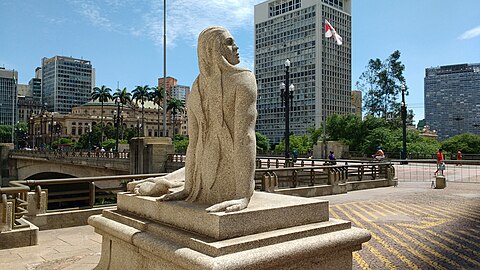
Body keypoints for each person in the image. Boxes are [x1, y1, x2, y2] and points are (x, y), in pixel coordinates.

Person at [134, 26, 257, 213]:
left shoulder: (243, 80)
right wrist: (189, 188)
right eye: (229, 43)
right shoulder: (198, 87)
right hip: (201, 178)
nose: (237, 47)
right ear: (211, 50)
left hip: (229, 179)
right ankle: (169, 183)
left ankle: (165, 183)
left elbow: (244, 137)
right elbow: (195, 143)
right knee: (171, 182)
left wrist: (243, 194)